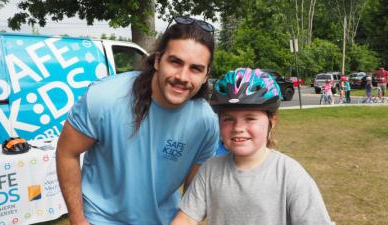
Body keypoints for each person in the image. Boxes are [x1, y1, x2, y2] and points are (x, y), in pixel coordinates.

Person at [56, 16, 220, 225]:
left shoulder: (206, 122)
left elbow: (194, 193)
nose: (183, 76)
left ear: (206, 75)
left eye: (195, 68)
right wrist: (78, 220)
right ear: (158, 60)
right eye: (175, 62)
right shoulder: (104, 97)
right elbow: (67, 152)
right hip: (99, 218)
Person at [171, 68, 333, 225]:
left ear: (272, 122)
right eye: (228, 119)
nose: (238, 128)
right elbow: (187, 218)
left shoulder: (289, 174)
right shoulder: (210, 171)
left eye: (250, 118)